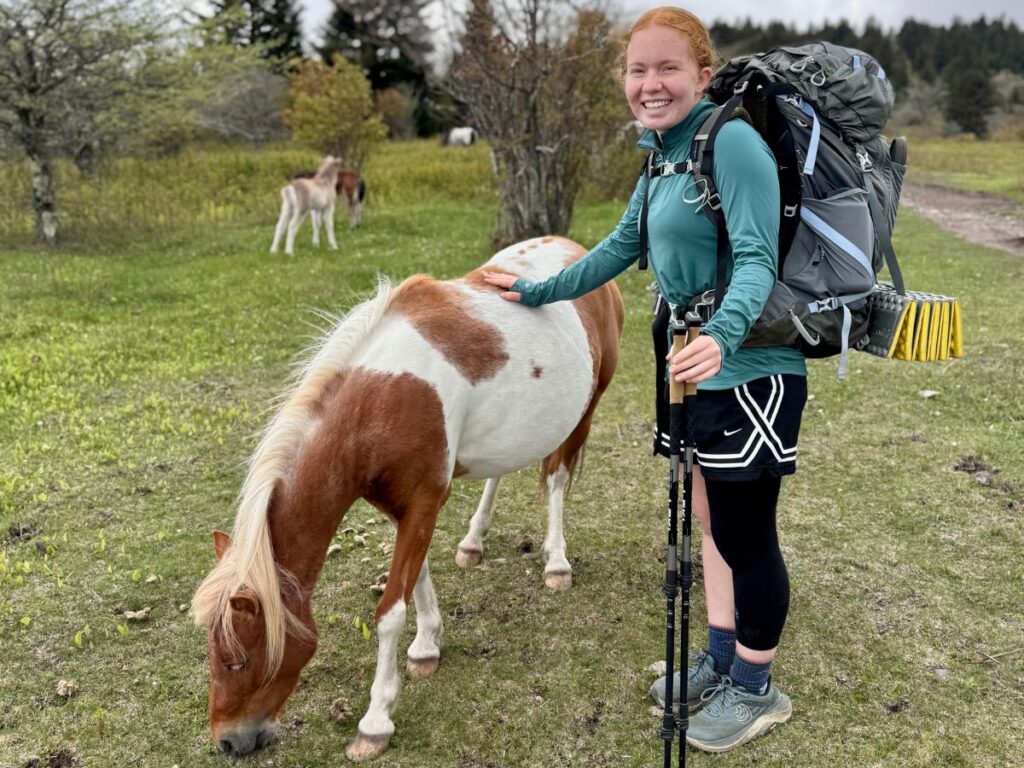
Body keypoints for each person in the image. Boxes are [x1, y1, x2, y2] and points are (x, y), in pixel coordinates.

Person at [482, 5, 808, 754]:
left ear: (702, 74)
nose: (649, 83)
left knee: (746, 533)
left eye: (667, 69)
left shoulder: (734, 145)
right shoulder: (662, 157)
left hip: (748, 369)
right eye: (637, 70)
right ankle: (722, 657)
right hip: (690, 366)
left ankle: (757, 689)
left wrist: (722, 338)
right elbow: (616, 249)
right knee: (709, 520)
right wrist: (534, 290)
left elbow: (756, 259)